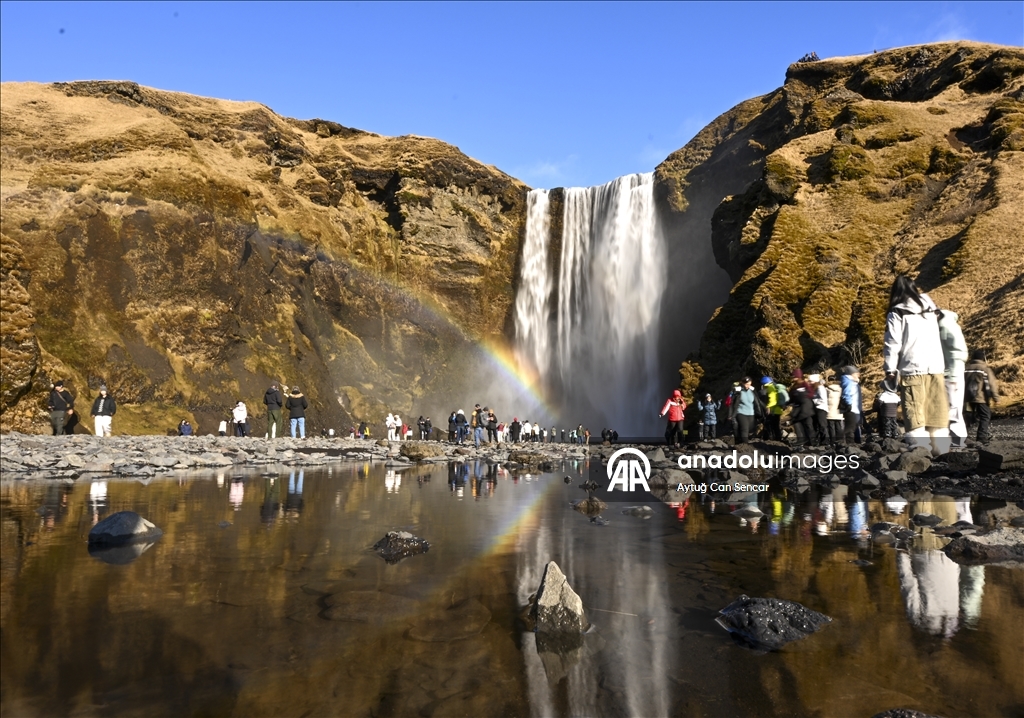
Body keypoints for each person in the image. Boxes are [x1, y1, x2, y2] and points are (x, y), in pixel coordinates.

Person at [883, 275, 950, 455]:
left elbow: (893, 343)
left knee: (914, 408)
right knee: (936, 407)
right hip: (936, 365)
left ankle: (919, 449)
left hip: (912, 367)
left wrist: (890, 369)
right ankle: (941, 449)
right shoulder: (931, 310)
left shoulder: (897, 313)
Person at [937, 310, 969, 448]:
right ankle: (958, 439)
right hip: (956, 371)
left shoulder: (943, 326)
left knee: (951, 407)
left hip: (950, 373)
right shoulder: (954, 325)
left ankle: (955, 440)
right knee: (955, 406)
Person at [964, 349, 999, 444]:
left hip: (967, 398)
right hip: (981, 398)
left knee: (968, 417)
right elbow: (991, 384)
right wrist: (996, 398)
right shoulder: (985, 369)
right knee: (985, 416)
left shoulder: (966, 368)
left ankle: (963, 436)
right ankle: (981, 437)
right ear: (983, 358)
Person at [733, 377, 762, 444]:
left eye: (749, 384)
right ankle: (744, 445)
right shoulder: (738, 391)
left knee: (749, 429)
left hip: (751, 413)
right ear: (742, 383)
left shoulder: (752, 391)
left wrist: (765, 408)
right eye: (746, 384)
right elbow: (732, 403)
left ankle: (738, 441)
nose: (747, 386)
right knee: (745, 428)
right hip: (741, 412)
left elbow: (757, 402)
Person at [840, 366, 863, 444]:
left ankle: (855, 443)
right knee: (850, 427)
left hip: (855, 408)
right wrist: (848, 403)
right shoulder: (848, 381)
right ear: (851, 374)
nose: (858, 375)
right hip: (851, 408)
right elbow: (846, 393)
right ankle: (849, 444)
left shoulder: (852, 382)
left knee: (854, 426)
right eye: (856, 373)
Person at [760, 377, 786, 442]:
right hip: (778, 410)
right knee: (776, 426)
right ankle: (778, 439)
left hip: (773, 410)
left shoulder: (770, 388)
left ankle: (770, 439)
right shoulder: (775, 386)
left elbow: (772, 400)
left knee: (769, 424)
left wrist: (768, 407)